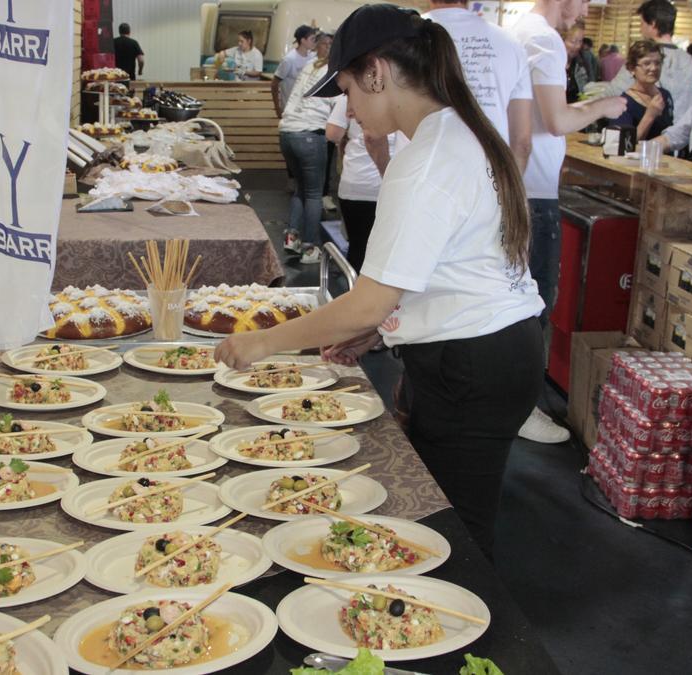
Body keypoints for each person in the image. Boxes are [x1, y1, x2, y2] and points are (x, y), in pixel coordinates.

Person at [215, 5, 544, 559]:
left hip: (472, 362)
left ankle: (466, 633)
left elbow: (368, 302)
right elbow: (446, 266)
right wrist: (388, 330)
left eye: (348, 89)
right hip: (494, 350)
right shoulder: (455, 133)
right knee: (443, 514)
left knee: (451, 534)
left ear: (377, 72)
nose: (349, 108)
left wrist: (261, 341)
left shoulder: (428, 159)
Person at [511, 0, 626, 443]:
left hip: (520, 184)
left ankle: (515, 402)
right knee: (536, 300)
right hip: (535, 189)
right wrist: (605, 106)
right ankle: (524, 407)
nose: (586, 8)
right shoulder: (543, 38)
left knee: (521, 297)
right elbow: (556, 120)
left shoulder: (522, 31)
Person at [425, 0, 533, 171]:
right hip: (488, 178)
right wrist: (511, 193)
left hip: (421, 175)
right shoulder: (511, 44)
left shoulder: (405, 38)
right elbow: (522, 143)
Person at [278, 32, 335, 264]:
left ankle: (292, 238)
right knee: (314, 194)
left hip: (287, 133)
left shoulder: (309, 66)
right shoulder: (334, 71)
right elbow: (337, 106)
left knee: (300, 188)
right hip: (310, 134)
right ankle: (310, 248)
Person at [326, 97, 395, 271]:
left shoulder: (349, 97)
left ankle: (354, 291)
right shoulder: (403, 96)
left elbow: (332, 133)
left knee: (358, 248)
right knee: (385, 252)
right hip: (389, 186)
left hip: (356, 183)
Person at [606, 0, 692, 121]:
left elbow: (615, 92)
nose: (641, 29)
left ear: (653, 24)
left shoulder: (644, 57)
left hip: (648, 131)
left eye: (642, 23)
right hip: (681, 133)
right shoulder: (689, 62)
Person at [612, 40, 674, 141]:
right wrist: (650, 115)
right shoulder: (622, 104)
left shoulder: (665, 95)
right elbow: (623, 144)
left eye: (658, 63)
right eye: (647, 63)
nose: (654, 68)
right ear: (632, 68)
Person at [272, 25, 318, 116]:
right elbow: (274, 83)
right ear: (303, 40)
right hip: (290, 107)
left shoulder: (312, 57)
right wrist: (277, 107)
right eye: (312, 39)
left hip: (305, 107)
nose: (315, 42)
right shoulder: (289, 59)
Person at [564, 21, 594, 102]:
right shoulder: (551, 64)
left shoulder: (582, 63)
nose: (577, 46)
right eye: (573, 41)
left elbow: (587, 89)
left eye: (580, 41)